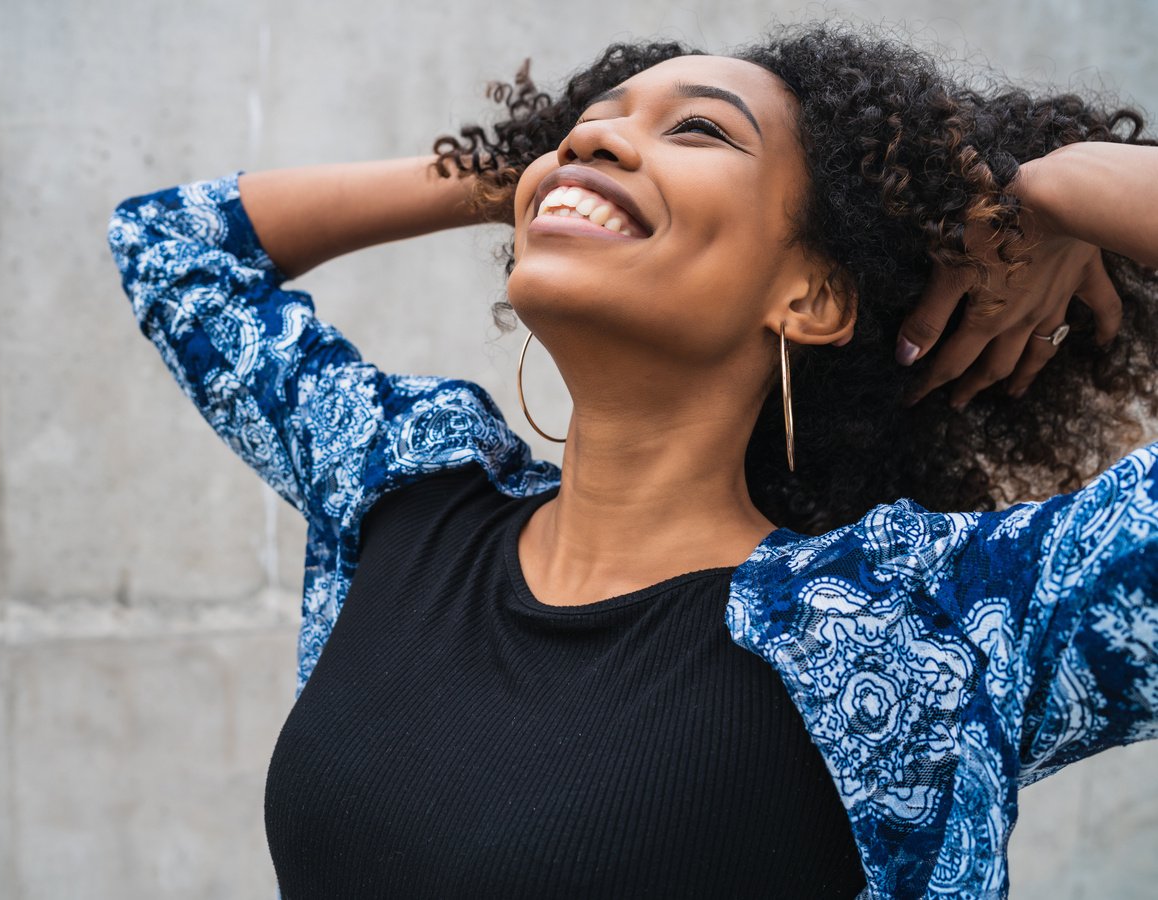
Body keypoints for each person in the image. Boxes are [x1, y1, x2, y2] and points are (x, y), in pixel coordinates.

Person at [106, 21, 1158, 900]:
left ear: (814, 296)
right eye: (584, 126)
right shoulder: (405, 492)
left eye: (699, 129)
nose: (591, 145)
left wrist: (1053, 192)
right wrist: (530, 172)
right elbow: (169, 246)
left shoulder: (927, 625)